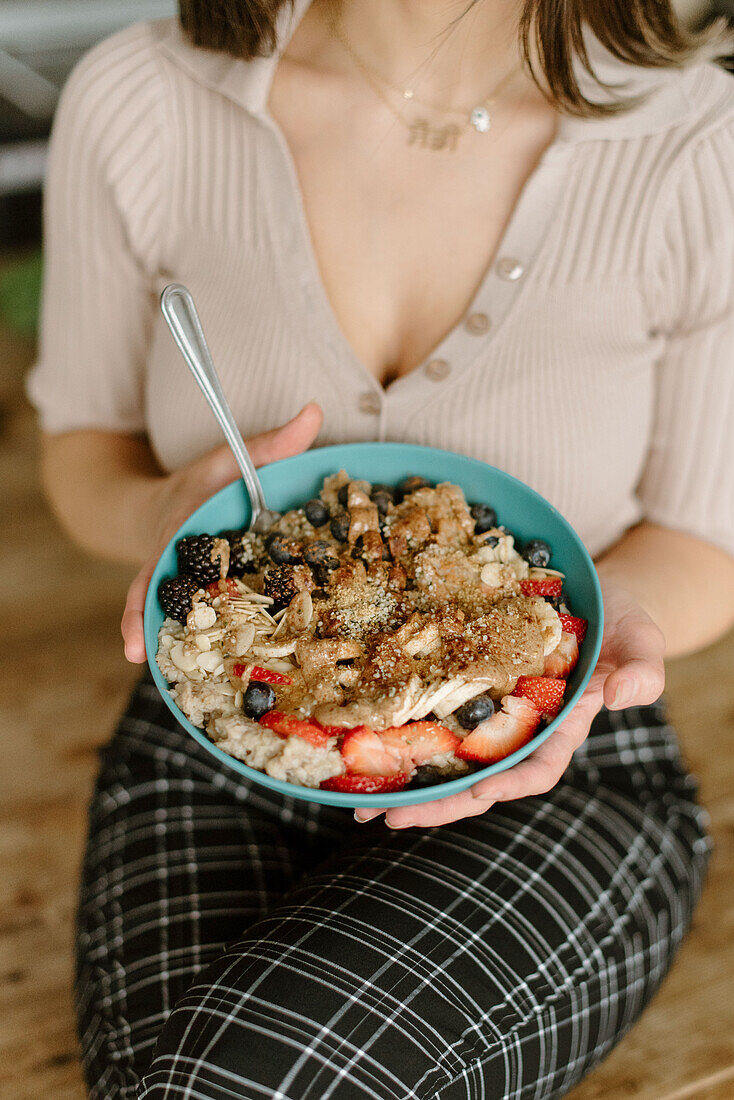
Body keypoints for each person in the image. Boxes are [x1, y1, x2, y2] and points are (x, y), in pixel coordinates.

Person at [27, 0, 734, 1096]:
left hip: (562, 754)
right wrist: (163, 508)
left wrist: (584, 632)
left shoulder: (698, 140)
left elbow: (699, 539)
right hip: (216, 726)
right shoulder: (145, 98)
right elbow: (82, 456)